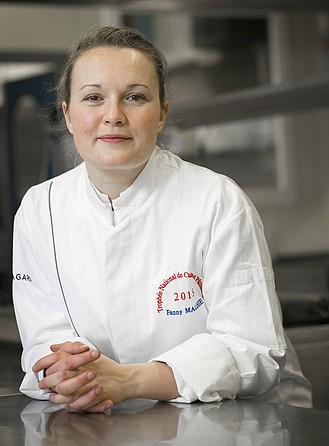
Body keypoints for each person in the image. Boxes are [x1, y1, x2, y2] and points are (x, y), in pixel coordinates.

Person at [12, 25, 312, 414]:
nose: (113, 116)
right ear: (68, 116)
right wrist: (69, 374)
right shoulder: (40, 209)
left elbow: (253, 350)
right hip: (102, 419)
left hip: (239, 421)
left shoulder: (218, 201)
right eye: (93, 98)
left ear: (162, 114)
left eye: (135, 97)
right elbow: (44, 338)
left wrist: (130, 381)